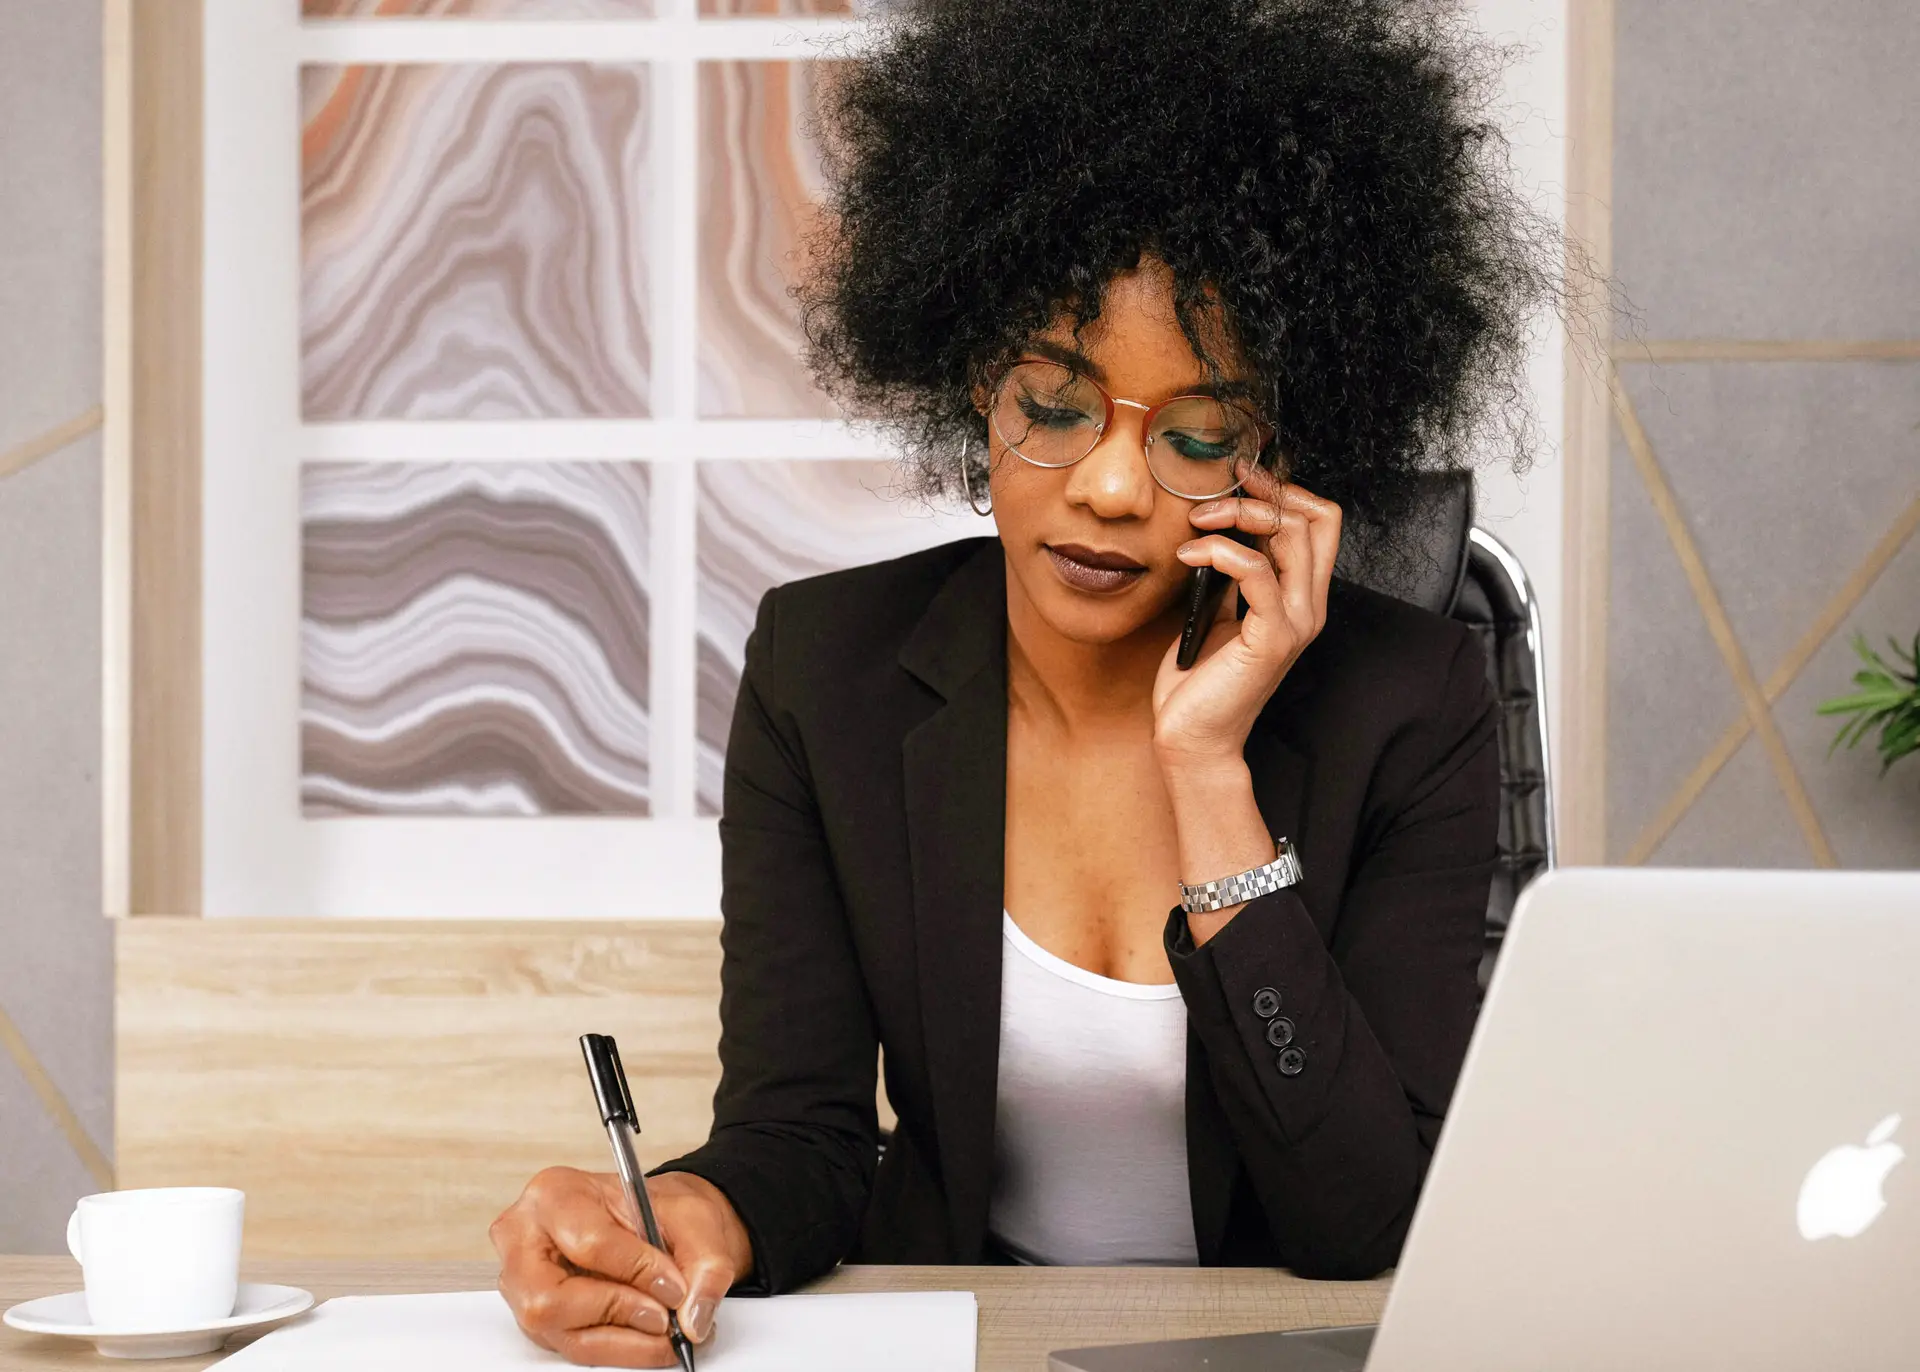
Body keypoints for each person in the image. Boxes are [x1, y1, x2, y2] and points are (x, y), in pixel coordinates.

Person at [490, 0, 1558, 1363]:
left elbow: (1366, 1222)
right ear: (966, 388)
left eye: (1199, 431)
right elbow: (798, 1139)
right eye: (1053, 406)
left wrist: (1207, 773)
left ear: (1277, 455)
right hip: (970, 1338)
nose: (1110, 488)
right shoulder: (832, 675)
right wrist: (690, 1208)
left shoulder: (1406, 698)